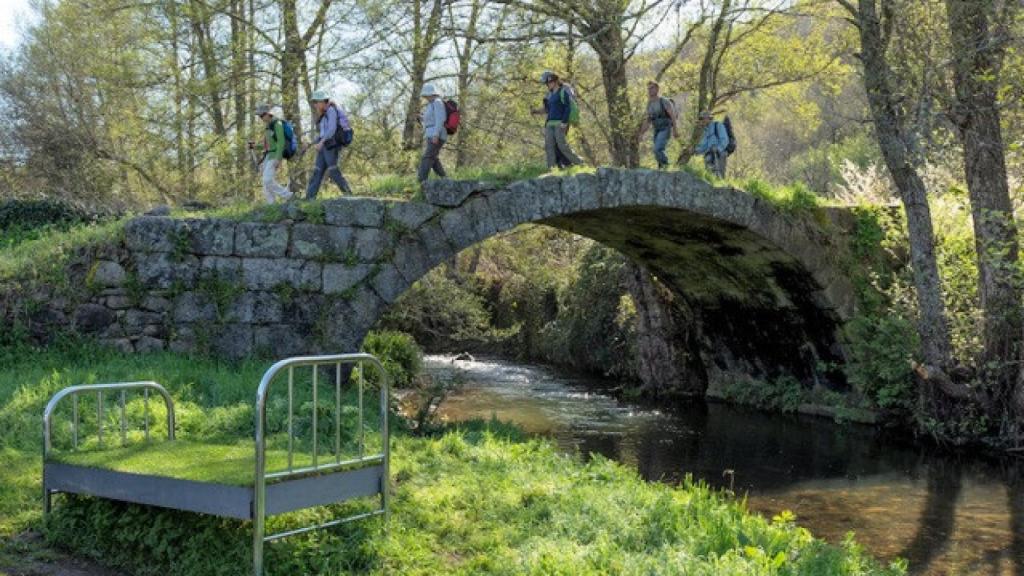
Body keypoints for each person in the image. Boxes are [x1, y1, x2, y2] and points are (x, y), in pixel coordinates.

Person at [306, 89, 353, 199]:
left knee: (333, 170)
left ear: (323, 101)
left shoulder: (331, 110)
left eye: (316, 102)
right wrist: (310, 143)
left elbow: (332, 129)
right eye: (314, 102)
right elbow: (322, 134)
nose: (315, 105)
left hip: (331, 146)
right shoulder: (324, 115)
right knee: (317, 171)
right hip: (324, 146)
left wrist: (321, 143)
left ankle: (349, 195)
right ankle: (309, 198)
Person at [532, 71, 582, 170]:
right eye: (546, 83)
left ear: (553, 80)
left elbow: (568, 105)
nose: (546, 84)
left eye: (547, 82)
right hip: (551, 122)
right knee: (551, 145)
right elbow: (547, 109)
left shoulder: (565, 89)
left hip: (562, 121)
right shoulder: (549, 94)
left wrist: (564, 121)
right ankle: (556, 168)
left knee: (560, 144)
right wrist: (536, 111)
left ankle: (573, 163)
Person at [250, 104, 293, 204]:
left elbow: (281, 142)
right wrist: (255, 146)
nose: (260, 118)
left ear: (268, 114)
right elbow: (267, 146)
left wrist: (278, 158)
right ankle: (271, 204)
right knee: (265, 184)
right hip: (268, 156)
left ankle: (288, 195)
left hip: (275, 156)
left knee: (267, 180)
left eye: (261, 115)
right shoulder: (268, 126)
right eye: (259, 116)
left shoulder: (277, 124)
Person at [638, 81, 678, 169]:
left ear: (657, 89)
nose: (650, 90)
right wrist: (641, 134)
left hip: (665, 128)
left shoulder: (664, 101)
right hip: (656, 129)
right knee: (656, 151)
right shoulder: (649, 104)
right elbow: (647, 120)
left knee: (657, 149)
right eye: (648, 89)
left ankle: (666, 165)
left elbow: (673, 116)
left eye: (652, 88)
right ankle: (661, 168)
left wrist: (675, 130)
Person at [417, 83, 448, 184]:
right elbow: (430, 120)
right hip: (431, 134)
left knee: (427, 157)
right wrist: (421, 118)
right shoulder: (431, 104)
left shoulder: (437, 102)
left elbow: (440, 119)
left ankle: (421, 180)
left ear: (431, 93)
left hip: (436, 135)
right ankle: (445, 179)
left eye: (426, 95)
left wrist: (436, 134)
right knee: (433, 158)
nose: (425, 98)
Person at [694, 110, 730, 178]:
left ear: (708, 118)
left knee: (719, 176)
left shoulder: (718, 125)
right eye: (700, 119)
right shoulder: (705, 131)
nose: (701, 120)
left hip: (720, 154)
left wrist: (717, 148)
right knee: (710, 176)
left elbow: (725, 140)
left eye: (702, 118)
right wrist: (695, 151)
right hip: (709, 156)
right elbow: (703, 146)